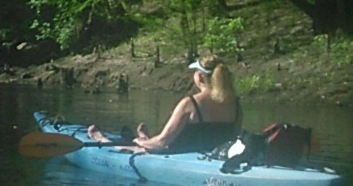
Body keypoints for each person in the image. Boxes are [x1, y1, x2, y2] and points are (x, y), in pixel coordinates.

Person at [88, 55, 241, 153]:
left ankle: (102, 140)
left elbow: (163, 142)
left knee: (133, 145)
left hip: (176, 154)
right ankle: (147, 139)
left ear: (200, 78)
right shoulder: (234, 103)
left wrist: (139, 142)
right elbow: (234, 137)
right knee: (148, 142)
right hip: (212, 156)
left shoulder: (190, 103)